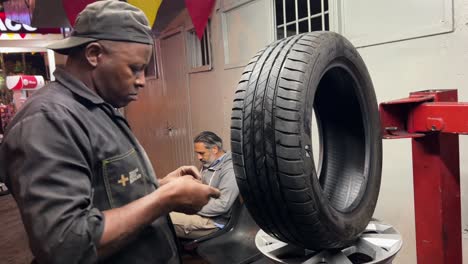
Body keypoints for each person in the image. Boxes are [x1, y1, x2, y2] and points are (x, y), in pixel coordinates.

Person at [0, 1, 220, 263]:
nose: (141, 80)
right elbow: (67, 243)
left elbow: (103, 192)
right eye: (135, 68)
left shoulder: (100, 107)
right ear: (94, 54)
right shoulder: (48, 121)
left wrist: (156, 185)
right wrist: (165, 198)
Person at [171, 131, 239, 239]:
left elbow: (223, 205)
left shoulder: (229, 169)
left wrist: (189, 206)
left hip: (214, 222)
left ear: (215, 149)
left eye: (201, 153)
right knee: (161, 212)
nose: (198, 157)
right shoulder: (209, 164)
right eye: (197, 153)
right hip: (202, 214)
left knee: (162, 221)